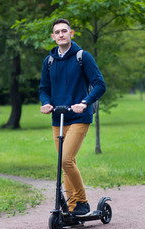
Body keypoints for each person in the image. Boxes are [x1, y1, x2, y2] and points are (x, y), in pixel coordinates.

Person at [39, 19, 106, 216]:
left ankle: (82, 201)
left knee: (65, 160)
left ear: (71, 33)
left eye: (64, 31)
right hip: (58, 118)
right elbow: (44, 88)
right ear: (53, 37)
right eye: (57, 32)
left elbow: (100, 84)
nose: (61, 34)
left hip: (79, 116)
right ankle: (72, 205)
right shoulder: (49, 61)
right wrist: (45, 103)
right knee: (67, 161)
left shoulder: (82, 57)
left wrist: (84, 102)